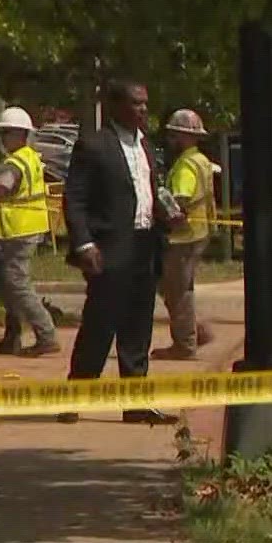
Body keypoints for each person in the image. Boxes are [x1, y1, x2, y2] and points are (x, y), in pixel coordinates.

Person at [60, 79, 176, 425]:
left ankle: (135, 402)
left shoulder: (147, 147)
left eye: (145, 104)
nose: (142, 110)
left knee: (138, 328)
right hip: (109, 249)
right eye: (135, 103)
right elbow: (75, 199)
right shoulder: (94, 145)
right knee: (100, 325)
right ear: (115, 107)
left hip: (145, 247)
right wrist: (84, 243)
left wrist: (166, 212)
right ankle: (74, 396)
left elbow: (148, 191)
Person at [0, 105, 59, 357]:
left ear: (20, 135)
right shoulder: (29, 157)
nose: (3, 139)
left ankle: (46, 335)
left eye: (7, 133)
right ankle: (12, 338)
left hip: (19, 229)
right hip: (24, 228)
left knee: (17, 284)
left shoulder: (15, 162)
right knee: (10, 284)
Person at [152, 109, 216, 360]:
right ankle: (194, 331)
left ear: (183, 137)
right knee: (178, 287)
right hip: (198, 233)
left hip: (183, 236)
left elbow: (179, 201)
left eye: (174, 135)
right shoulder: (201, 159)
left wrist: (161, 210)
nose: (170, 140)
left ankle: (185, 343)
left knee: (177, 291)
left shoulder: (186, 166)